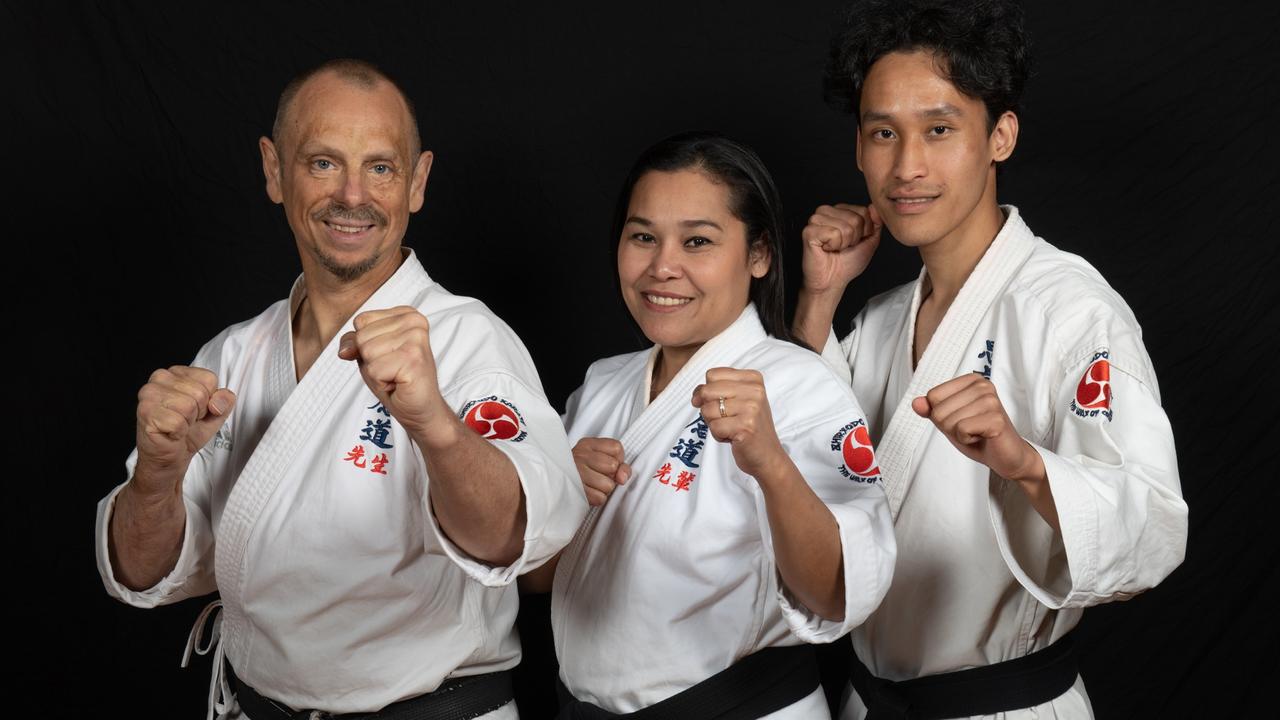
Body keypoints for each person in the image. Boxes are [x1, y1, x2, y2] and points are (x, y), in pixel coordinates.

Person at [94, 58, 587, 720]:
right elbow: (140, 571)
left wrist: (434, 423)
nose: (353, 195)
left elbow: (514, 541)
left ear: (417, 183)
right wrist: (155, 476)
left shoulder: (468, 342)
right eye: (323, 163)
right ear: (274, 170)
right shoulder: (233, 356)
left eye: (381, 168)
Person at [792, 2, 1190, 718]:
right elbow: (813, 478)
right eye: (884, 133)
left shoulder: (1070, 310)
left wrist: (1024, 462)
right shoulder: (881, 320)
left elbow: (1153, 528)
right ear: (858, 147)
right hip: (870, 698)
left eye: (939, 130)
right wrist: (818, 303)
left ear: (999, 136)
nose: (907, 165)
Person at [522, 132, 897, 719]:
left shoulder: (801, 385)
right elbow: (537, 578)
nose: (662, 267)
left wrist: (770, 463)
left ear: (759, 255)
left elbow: (834, 594)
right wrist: (558, 496)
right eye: (643, 236)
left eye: (697, 241)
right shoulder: (602, 386)